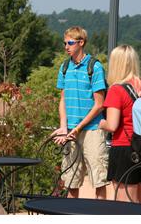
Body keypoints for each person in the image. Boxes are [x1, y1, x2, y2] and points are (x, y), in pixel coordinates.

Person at [51, 26, 109, 199]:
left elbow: (100, 105)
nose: (66, 47)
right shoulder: (64, 67)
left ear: (81, 42)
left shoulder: (95, 67)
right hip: (70, 130)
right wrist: (64, 126)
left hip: (92, 130)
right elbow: (63, 99)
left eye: (70, 43)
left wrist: (77, 128)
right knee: (71, 181)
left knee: (99, 180)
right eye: (64, 43)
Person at [99, 45, 141, 204]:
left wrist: (99, 123)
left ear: (116, 64)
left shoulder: (116, 90)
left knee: (125, 206)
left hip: (125, 149)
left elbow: (112, 125)